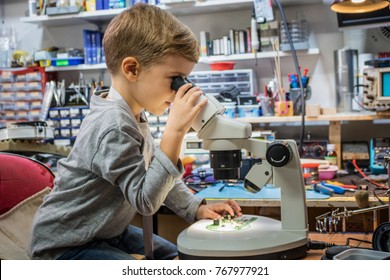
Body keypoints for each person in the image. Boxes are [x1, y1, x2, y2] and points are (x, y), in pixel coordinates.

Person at [28, 3, 241, 260]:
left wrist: (194, 208)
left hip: (103, 231)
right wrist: (175, 131)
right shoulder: (113, 123)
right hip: (65, 244)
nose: (178, 91)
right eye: (175, 79)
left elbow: (156, 176)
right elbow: (146, 200)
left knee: (181, 256)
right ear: (132, 69)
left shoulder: (130, 113)